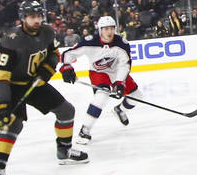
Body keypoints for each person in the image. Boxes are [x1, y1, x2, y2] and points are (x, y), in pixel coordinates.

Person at [0, 0, 87, 175]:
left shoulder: (47, 32)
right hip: (12, 87)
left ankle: (64, 150)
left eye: (39, 16)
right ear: (23, 18)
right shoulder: (10, 40)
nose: (37, 20)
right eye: (32, 17)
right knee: (12, 124)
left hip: (33, 83)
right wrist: (3, 106)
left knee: (66, 111)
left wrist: (47, 71)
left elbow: (53, 53)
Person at [58, 15, 144, 156]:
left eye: (111, 28)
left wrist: (119, 83)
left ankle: (120, 110)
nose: (109, 32)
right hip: (98, 72)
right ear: (100, 30)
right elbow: (69, 54)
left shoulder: (122, 43)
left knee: (136, 96)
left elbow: (125, 65)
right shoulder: (90, 42)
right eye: (105, 29)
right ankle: (85, 130)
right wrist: (66, 66)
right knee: (101, 96)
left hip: (116, 72)